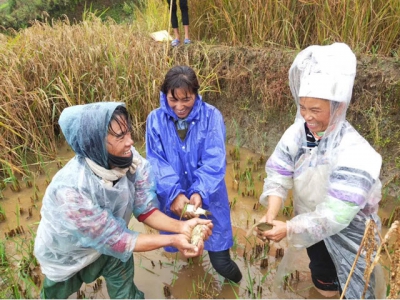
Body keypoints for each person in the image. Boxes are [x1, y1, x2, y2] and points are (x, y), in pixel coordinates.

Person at [34, 102, 213, 299]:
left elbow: (144, 209)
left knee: (127, 295)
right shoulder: (70, 192)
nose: (130, 142)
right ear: (95, 143)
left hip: (113, 250)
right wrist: (172, 240)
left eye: (128, 132)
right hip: (69, 255)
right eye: (120, 136)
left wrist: (183, 227)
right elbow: (118, 240)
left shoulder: (130, 161)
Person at [256, 43, 384, 298]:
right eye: (303, 107)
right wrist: (271, 214)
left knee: (356, 289)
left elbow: (336, 215)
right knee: (324, 284)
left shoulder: (355, 151)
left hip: (352, 235)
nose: (307, 116)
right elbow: (278, 173)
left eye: (315, 110)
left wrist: (290, 229)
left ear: (337, 107)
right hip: (310, 230)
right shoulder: (297, 134)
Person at [145, 65, 242, 283]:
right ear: (165, 95)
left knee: (221, 262)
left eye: (186, 99)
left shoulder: (211, 116)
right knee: (187, 246)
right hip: (175, 201)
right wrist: (174, 194)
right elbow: (156, 162)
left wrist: (199, 191)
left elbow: (214, 160)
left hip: (209, 197)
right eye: (173, 99)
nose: (179, 106)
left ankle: (238, 287)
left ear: (196, 94)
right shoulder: (155, 119)